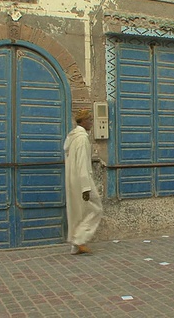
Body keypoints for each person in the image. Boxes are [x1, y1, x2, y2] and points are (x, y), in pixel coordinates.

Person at [63, 109, 103, 255]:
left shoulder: (72, 137)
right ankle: (79, 239)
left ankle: (76, 244)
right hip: (82, 179)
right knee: (96, 208)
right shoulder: (82, 138)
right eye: (90, 120)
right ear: (83, 121)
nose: (92, 122)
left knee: (78, 212)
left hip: (74, 180)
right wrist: (86, 187)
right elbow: (82, 164)